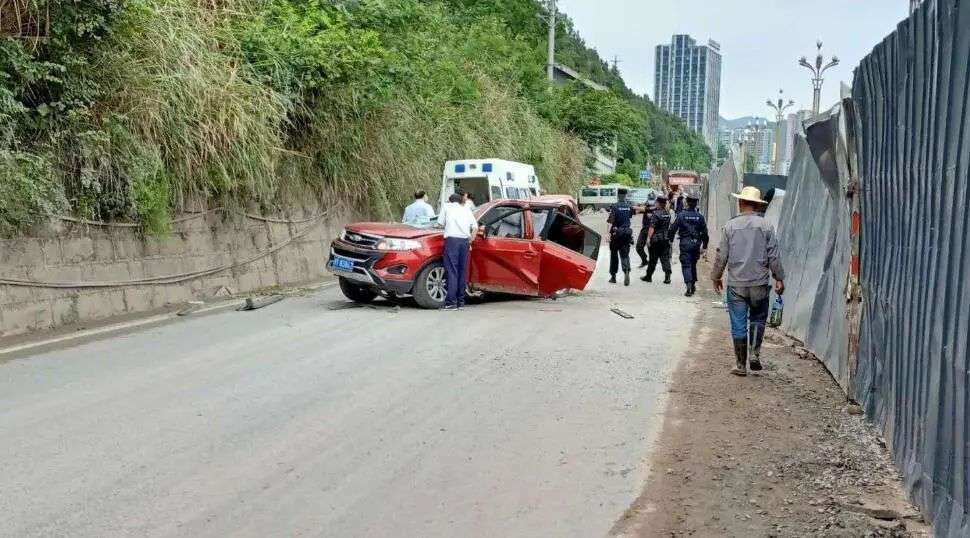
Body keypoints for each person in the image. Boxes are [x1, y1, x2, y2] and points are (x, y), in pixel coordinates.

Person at [711, 186, 785, 377]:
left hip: (736, 284)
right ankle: (754, 355)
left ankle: (740, 365)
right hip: (759, 283)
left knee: (738, 323)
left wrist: (716, 276)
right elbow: (773, 255)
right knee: (758, 319)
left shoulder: (730, 226)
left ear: (740, 202)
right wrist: (779, 278)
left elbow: (721, 256)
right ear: (757, 205)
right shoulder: (767, 226)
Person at [437, 193, 478, 310]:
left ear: (450, 201)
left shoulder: (446, 207)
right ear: (460, 201)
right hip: (464, 242)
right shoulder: (466, 209)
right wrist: (471, 240)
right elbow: (475, 227)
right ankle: (460, 301)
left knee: (452, 271)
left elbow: (440, 223)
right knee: (462, 271)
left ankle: (451, 302)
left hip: (452, 241)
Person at [668, 193, 709, 297]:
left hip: (685, 243)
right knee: (693, 264)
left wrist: (670, 241)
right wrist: (704, 246)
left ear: (687, 202)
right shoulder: (700, 217)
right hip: (696, 244)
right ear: (696, 204)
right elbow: (705, 233)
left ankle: (689, 286)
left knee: (686, 265)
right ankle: (693, 284)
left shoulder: (681, 215)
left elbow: (672, 229)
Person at [641, 196, 673, 284]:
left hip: (656, 240)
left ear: (659, 203)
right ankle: (667, 276)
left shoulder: (656, 214)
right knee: (665, 258)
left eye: (656, 203)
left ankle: (648, 276)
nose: (655, 204)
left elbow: (652, 228)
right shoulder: (667, 213)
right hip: (665, 239)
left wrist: (648, 238)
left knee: (653, 259)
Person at [607, 188, 635, 286]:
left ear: (618, 195)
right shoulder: (629, 206)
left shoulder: (614, 206)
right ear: (625, 195)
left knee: (614, 255)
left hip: (616, 234)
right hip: (626, 233)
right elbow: (630, 216)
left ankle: (613, 277)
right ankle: (626, 270)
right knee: (625, 254)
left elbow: (610, 221)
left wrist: (607, 234)